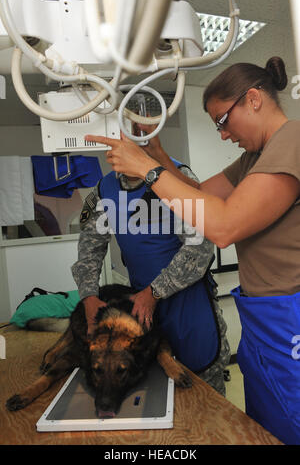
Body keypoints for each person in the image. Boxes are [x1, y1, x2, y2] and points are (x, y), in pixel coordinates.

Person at [85, 56, 300, 445]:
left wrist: (148, 172)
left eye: (223, 122)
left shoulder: (294, 142)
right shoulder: (256, 156)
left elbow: (222, 226)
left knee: (292, 423)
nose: (222, 135)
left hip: (291, 316)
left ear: (253, 99)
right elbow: (200, 194)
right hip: (261, 314)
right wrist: (157, 155)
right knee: (263, 425)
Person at [71, 133, 231, 396]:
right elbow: (89, 247)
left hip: (189, 307)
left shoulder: (175, 176)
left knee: (204, 391)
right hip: (140, 308)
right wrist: (88, 295)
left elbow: (199, 248)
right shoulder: (105, 190)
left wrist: (154, 292)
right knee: (154, 390)